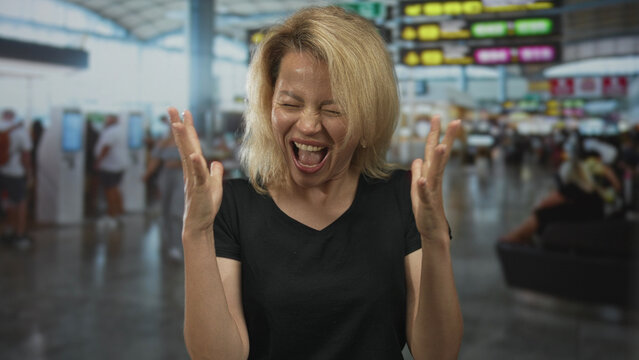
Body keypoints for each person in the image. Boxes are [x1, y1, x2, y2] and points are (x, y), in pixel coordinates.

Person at [169, 6, 463, 360]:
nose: (308, 125)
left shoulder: (403, 200)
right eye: (290, 103)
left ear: (368, 120)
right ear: (267, 107)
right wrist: (195, 234)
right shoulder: (232, 208)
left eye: (333, 109)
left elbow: (438, 353)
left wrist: (434, 241)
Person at [499, 148, 620, 244]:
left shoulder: (576, 187)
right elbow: (617, 189)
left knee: (541, 213)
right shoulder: (594, 188)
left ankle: (516, 236)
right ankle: (520, 236)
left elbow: (545, 203)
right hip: (593, 225)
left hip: (578, 230)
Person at [142, 116, 184, 262]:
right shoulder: (163, 143)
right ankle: (170, 243)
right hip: (165, 178)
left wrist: (178, 164)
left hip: (181, 178)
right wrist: (147, 175)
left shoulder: (187, 142)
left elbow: (196, 161)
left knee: (176, 211)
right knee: (165, 211)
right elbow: (155, 160)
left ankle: (177, 246)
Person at [0, 109, 33, 249]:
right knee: (20, 203)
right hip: (15, 173)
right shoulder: (20, 131)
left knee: (5, 202)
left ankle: (5, 231)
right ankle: (18, 235)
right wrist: (30, 173)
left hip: (1, 172)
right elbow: (26, 156)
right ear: (14, 117)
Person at [94, 114, 128, 228]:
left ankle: (111, 216)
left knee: (110, 190)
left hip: (110, 165)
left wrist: (98, 161)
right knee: (116, 189)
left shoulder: (110, 132)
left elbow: (106, 147)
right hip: (119, 164)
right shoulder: (121, 130)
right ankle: (119, 213)